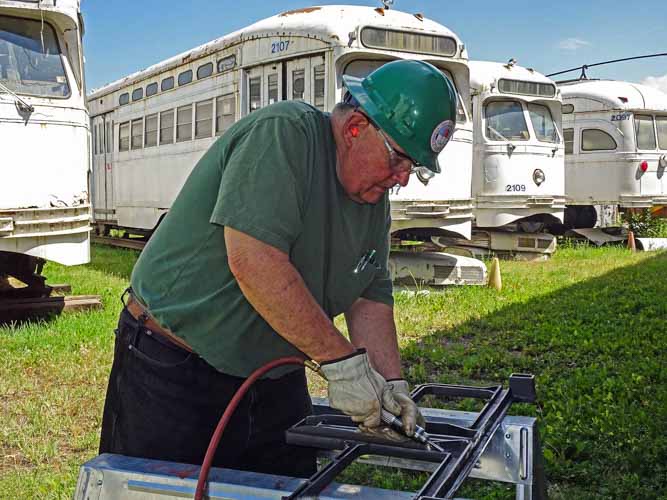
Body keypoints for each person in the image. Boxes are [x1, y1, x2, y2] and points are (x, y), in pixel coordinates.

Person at [99, 59, 458, 478]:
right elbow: (255, 259)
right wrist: (342, 364)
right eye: (399, 159)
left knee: (285, 488)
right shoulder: (284, 134)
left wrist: (392, 385)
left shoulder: (372, 201)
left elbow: (369, 293)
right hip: (177, 369)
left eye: (413, 168)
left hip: (274, 378)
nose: (402, 179)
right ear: (356, 128)